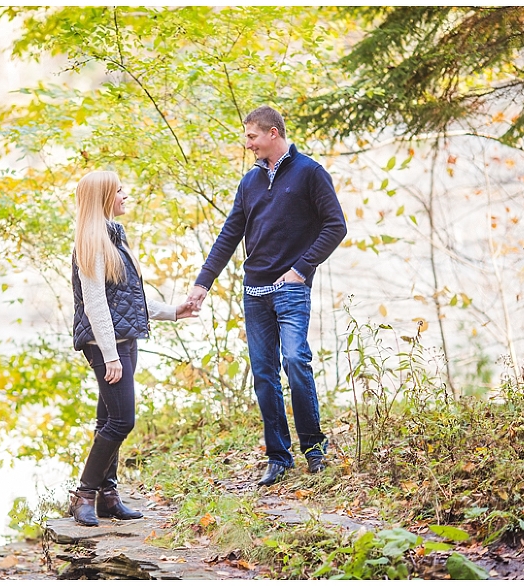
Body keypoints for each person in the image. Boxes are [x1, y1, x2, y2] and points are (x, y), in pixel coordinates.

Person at [187, 106, 347, 487]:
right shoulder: (250, 183)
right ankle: (279, 457)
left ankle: (314, 450)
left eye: (252, 137)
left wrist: (301, 268)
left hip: (291, 289)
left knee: (295, 359)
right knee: (263, 374)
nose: (248, 144)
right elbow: (229, 235)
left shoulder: (310, 173)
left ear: (273, 133)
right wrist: (202, 283)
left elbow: (335, 226)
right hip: (255, 293)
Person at [70, 170, 196, 526]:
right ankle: (84, 494)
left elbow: (128, 300)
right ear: (104, 197)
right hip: (107, 346)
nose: (126, 195)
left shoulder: (113, 237)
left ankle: (108, 497)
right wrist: (110, 355)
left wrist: (174, 311)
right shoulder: (92, 243)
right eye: (120, 190)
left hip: (124, 342)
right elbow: (95, 304)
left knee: (108, 419)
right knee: (122, 420)